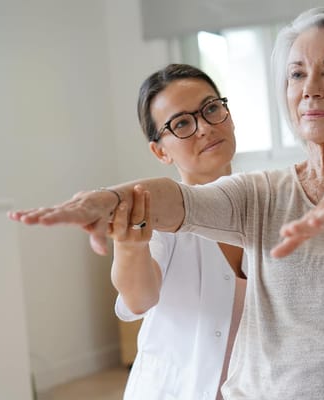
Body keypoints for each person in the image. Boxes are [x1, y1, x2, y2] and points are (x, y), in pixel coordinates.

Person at [9, 8, 324, 399]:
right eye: (297, 74)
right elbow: (176, 201)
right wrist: (108, 199)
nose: (311, 89)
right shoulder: (259, 193)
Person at [107, 64, 246, 400]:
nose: (205, 128)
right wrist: (128, 245)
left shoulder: (267, 204)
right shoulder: (159, 221)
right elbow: (139, 299)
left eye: (211, 108)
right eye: (181, 123)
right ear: (160, 151)